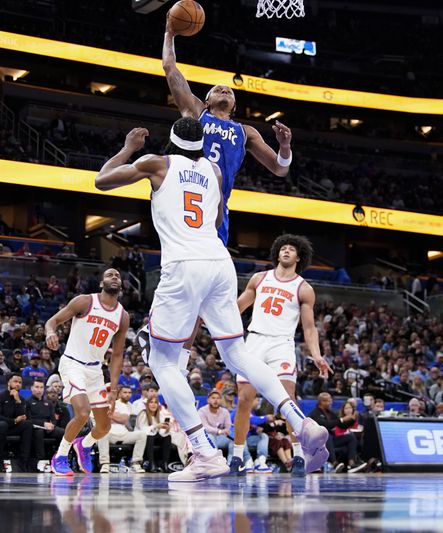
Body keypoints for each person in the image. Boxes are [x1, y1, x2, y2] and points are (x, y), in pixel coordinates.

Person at [94, 119, 329, 481]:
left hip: (184, 265)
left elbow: (102, 180)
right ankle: (301, 421)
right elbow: (218, 217)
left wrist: (128, 147)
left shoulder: (157, 163)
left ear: (171, 141)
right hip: (220, 263)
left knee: (161, 359)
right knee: (237, 354)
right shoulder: (214, 170)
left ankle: (204, 453)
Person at [162, 17, 295, 377]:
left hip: (217, 215)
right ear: (206, 99)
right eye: (218, 88)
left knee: (204, 293)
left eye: (230, 90)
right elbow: (170, 68)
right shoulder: (195, 112)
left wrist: (285, 147)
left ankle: (182, 362)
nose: (224, 89)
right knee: (186, 284)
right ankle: (163, 339)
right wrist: (170, 33)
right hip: (186, 201)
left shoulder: (246, 131)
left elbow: (280, 169)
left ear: (233, 104)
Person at [231, 234, 331, 477]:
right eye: (283, 248)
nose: (286, 251)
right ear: (277, 254)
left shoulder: (304, 288)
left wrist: (316, 355)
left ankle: (298, 455)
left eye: (291, 249)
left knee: (289, 399)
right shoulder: (259, 278)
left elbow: (308, 328)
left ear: (299, 257)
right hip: (254, 339)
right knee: (244, 399)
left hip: (281, 344)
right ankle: (236, 457)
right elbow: (237, 308)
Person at [45, 268, 130, 476]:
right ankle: (61, 456)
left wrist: (113, 388)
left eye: (117, 275)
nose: (114, 277)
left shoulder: (123, 316)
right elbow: (52, 322)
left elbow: (117, 355)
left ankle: (84, 444)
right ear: (101, 283)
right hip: (73, 364)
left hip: (95, 371)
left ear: (121, 285)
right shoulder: (85, 301)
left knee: (104, 427)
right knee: (82, 413)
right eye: (110, 274)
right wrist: (50, 333)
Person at [96, 386, 147, 473]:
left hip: (124, 433)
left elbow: (125, 419)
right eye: (107, 392)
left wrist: (110, 416)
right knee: (102, 434)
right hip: (109, 434)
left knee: (141, 435)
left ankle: (136, 463)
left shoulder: (121, 404)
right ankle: (105, 464)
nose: (108, 394)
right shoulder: (100, 406)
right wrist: (116, 416)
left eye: (110, 392)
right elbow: (101, 421)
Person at [0, 374, 34, 471]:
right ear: (9, 383)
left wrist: (18, 401)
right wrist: (13, 421)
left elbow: (23, 417)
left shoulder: (21, 399)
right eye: (15, 381)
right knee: (2, 425)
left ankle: (24, 461)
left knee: (28, 424)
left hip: (12, 427)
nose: (18, 384)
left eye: (20, 382)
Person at [135, 396, 174, 472]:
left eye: (155, 402)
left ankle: (165, 463)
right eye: (151, 402)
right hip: (143, 437)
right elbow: (143, 430)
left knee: (167, 437)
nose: (154, 404)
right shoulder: (143, 413)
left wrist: (167, 428)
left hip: (155, 436)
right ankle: (151, 464)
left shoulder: (160, 415)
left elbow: (162, 433)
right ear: (147, 404)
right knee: (150, 436)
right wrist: (156, 426)